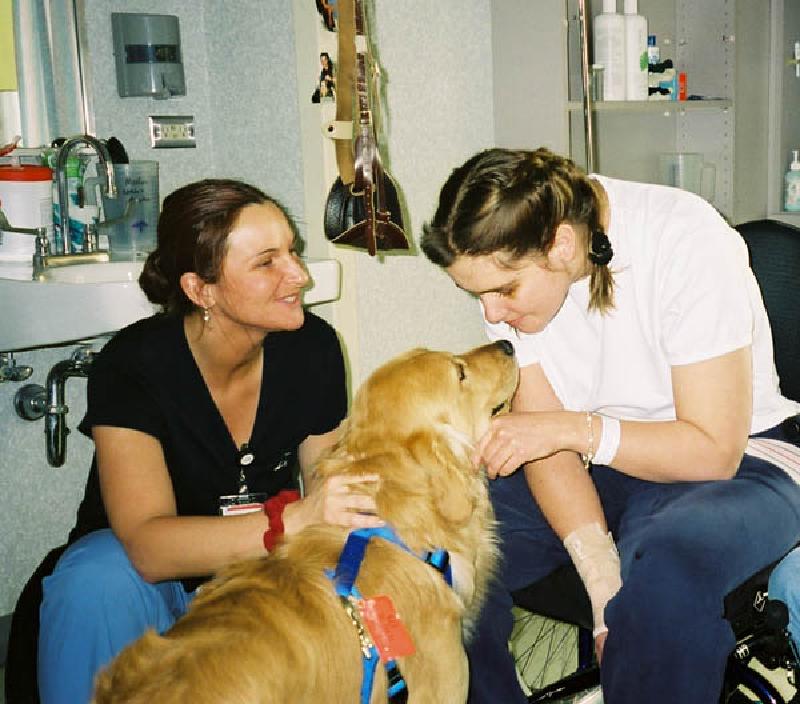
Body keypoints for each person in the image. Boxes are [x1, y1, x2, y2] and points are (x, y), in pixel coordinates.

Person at [420, 147, 800, 703]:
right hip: (606, 462)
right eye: (476, 294)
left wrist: (574, 431)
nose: (492, 315)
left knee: (665, 578)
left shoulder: (683, 237)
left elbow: (711, 451)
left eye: (503, 290)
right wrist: (601, 582)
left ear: (562, 245)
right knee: (439, 542)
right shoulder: (528, 269)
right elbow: (547, 448)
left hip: (744, 460)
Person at [35, 179, 381, 703]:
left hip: (259, 578)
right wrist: (295, 521)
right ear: (201, 290)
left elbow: (329, 488)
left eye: (293, 251)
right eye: (267, 262)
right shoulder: (133, 365)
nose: (300, 275)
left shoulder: (312, 349)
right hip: (142, 587)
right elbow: (148, 548)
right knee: (94, 580)